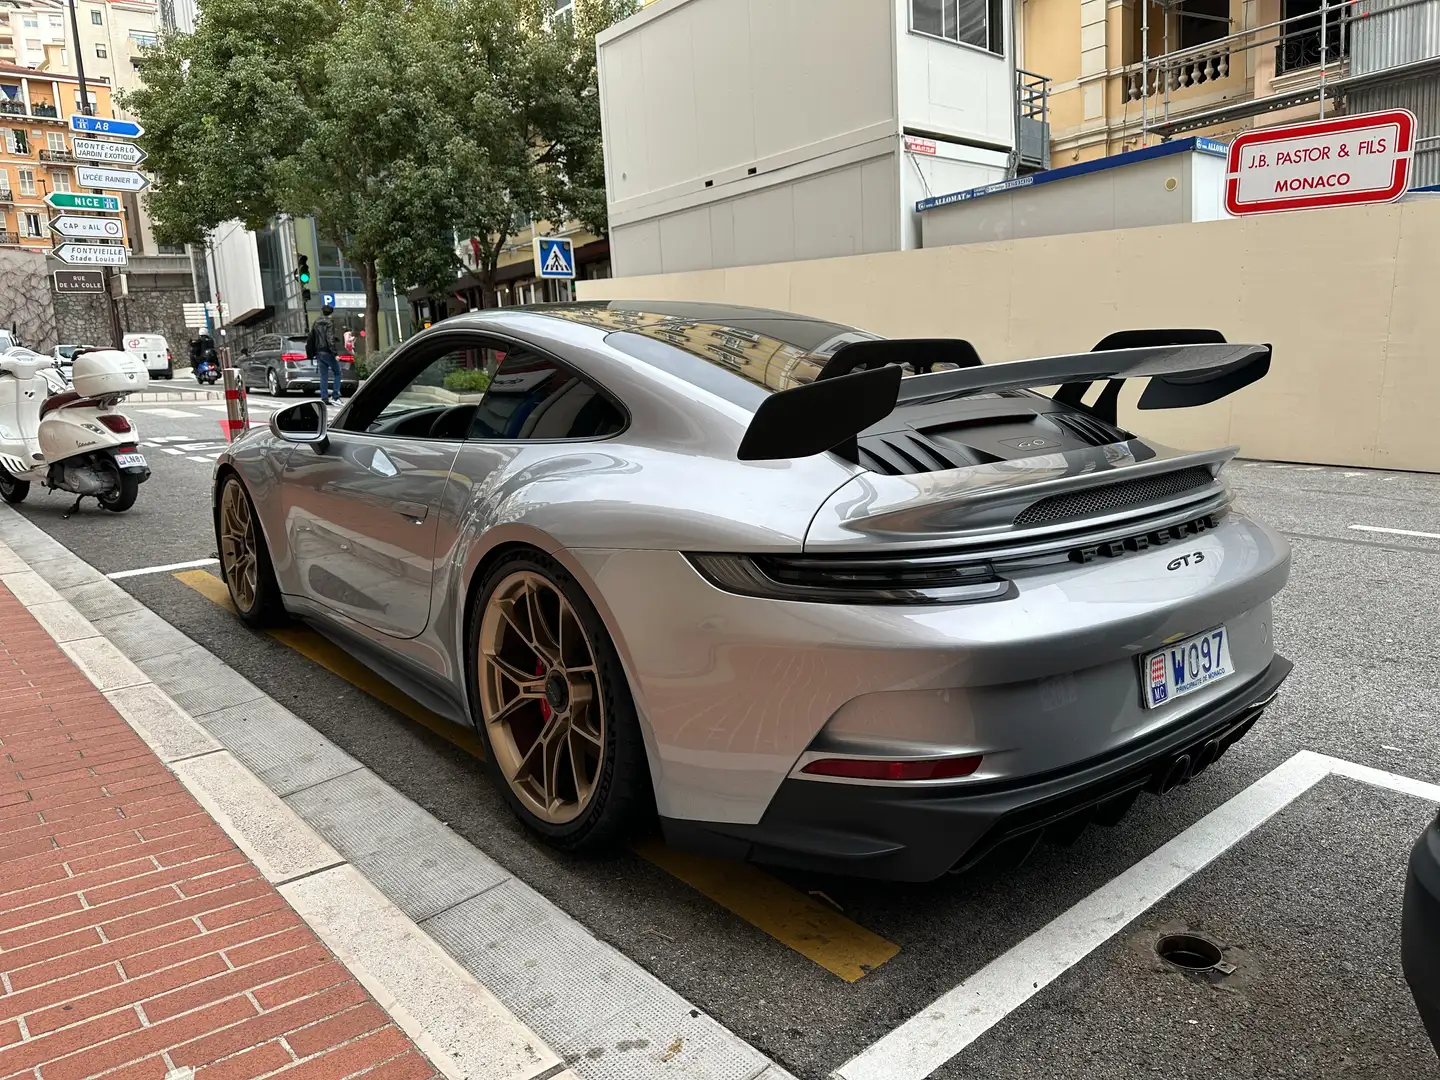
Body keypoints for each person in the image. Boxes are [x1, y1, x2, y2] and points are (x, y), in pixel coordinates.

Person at [310, 306, 342, 406]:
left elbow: (312, 338)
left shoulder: (315, 322)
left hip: (319, 352)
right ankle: (335, 396)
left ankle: (324, 398)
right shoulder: (329, 322)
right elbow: (330, 338)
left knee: (323, 376)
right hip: (328, 351)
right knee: (338, 372)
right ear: (331, 313)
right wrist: (335, 353)